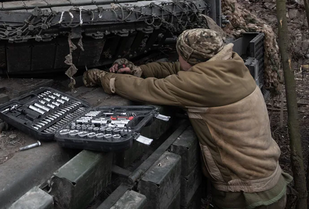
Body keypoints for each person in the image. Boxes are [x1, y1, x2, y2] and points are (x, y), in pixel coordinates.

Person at [83, 28, 291, 209]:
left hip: (247, 195)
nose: (177, 59)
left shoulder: (203, 85)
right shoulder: (230, 65)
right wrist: (139, 70)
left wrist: (104, 78)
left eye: (179, 54)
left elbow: (148, 89)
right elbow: (176, 69)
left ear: (189, 58)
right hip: (269, 182)